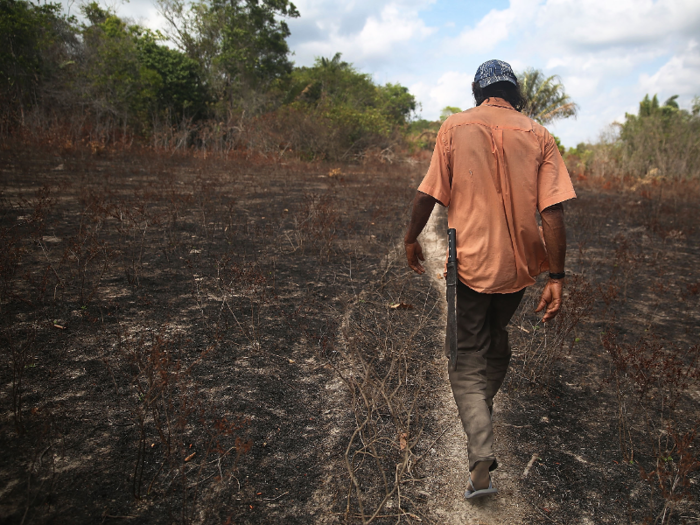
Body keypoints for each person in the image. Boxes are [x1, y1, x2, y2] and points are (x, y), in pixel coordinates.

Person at [403, 59, 576, 500]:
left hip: (470, 265)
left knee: (465, 357)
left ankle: (480, 452)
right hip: (518, 270)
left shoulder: (454, 128)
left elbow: (428, 194)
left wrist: (410, 238)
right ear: (515, 94)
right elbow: (552, 212)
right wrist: (556, 277)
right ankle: (480, 409)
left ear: (478, 92)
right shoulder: (538, 134)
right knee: (496, 340)